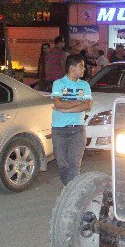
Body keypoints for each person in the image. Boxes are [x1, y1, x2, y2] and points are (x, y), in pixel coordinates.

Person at [51, 54, 93, 185]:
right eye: (81, 66)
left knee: (75, 163)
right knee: (62, 163)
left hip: (78, 129)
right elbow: (58, 104)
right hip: (59, 130)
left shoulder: (85, 85)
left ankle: (71, 190)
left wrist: (67, 109)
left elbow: (87, 105)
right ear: (72, 67)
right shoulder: (58, 84)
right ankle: (68, 185)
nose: (84, 69)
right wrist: (77, 102)